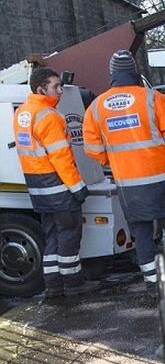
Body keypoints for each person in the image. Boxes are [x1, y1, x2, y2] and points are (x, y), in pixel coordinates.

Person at [82, 50, 165, 297]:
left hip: (128, 184)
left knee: (140, 233)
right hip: (162, 179)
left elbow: (93, 150)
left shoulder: (97, 107)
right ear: (135, 72)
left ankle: (152, 283)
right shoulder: (154, 99)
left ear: (112, 76)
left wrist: (115, 160)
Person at [12, 67, 95, 298]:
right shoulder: (48, 116)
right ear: (41, 89)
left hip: (38, 189)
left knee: (51, 238)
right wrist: (78, 188)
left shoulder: (22, 113)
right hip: (59, 187)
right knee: (68, 236)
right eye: (56, 86)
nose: (60, 90)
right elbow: (61, 158)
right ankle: (74, 283)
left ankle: (53, 286)